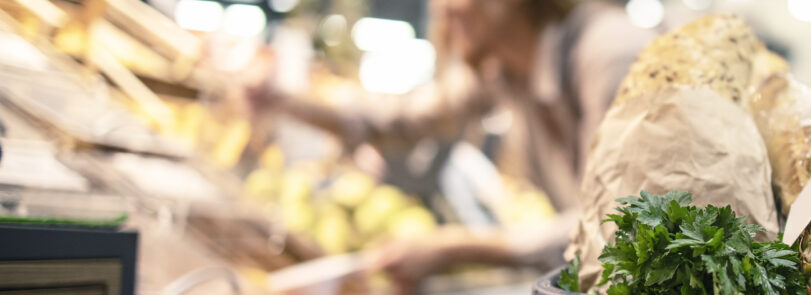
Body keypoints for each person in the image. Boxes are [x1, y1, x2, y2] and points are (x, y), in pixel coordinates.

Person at [245, 0, 658, 293]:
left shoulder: (611, 54)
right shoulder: (506, 64)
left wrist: (458, 246)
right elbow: (399, 121)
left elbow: (621, 227)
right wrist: (283, 100)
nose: (442, 8)